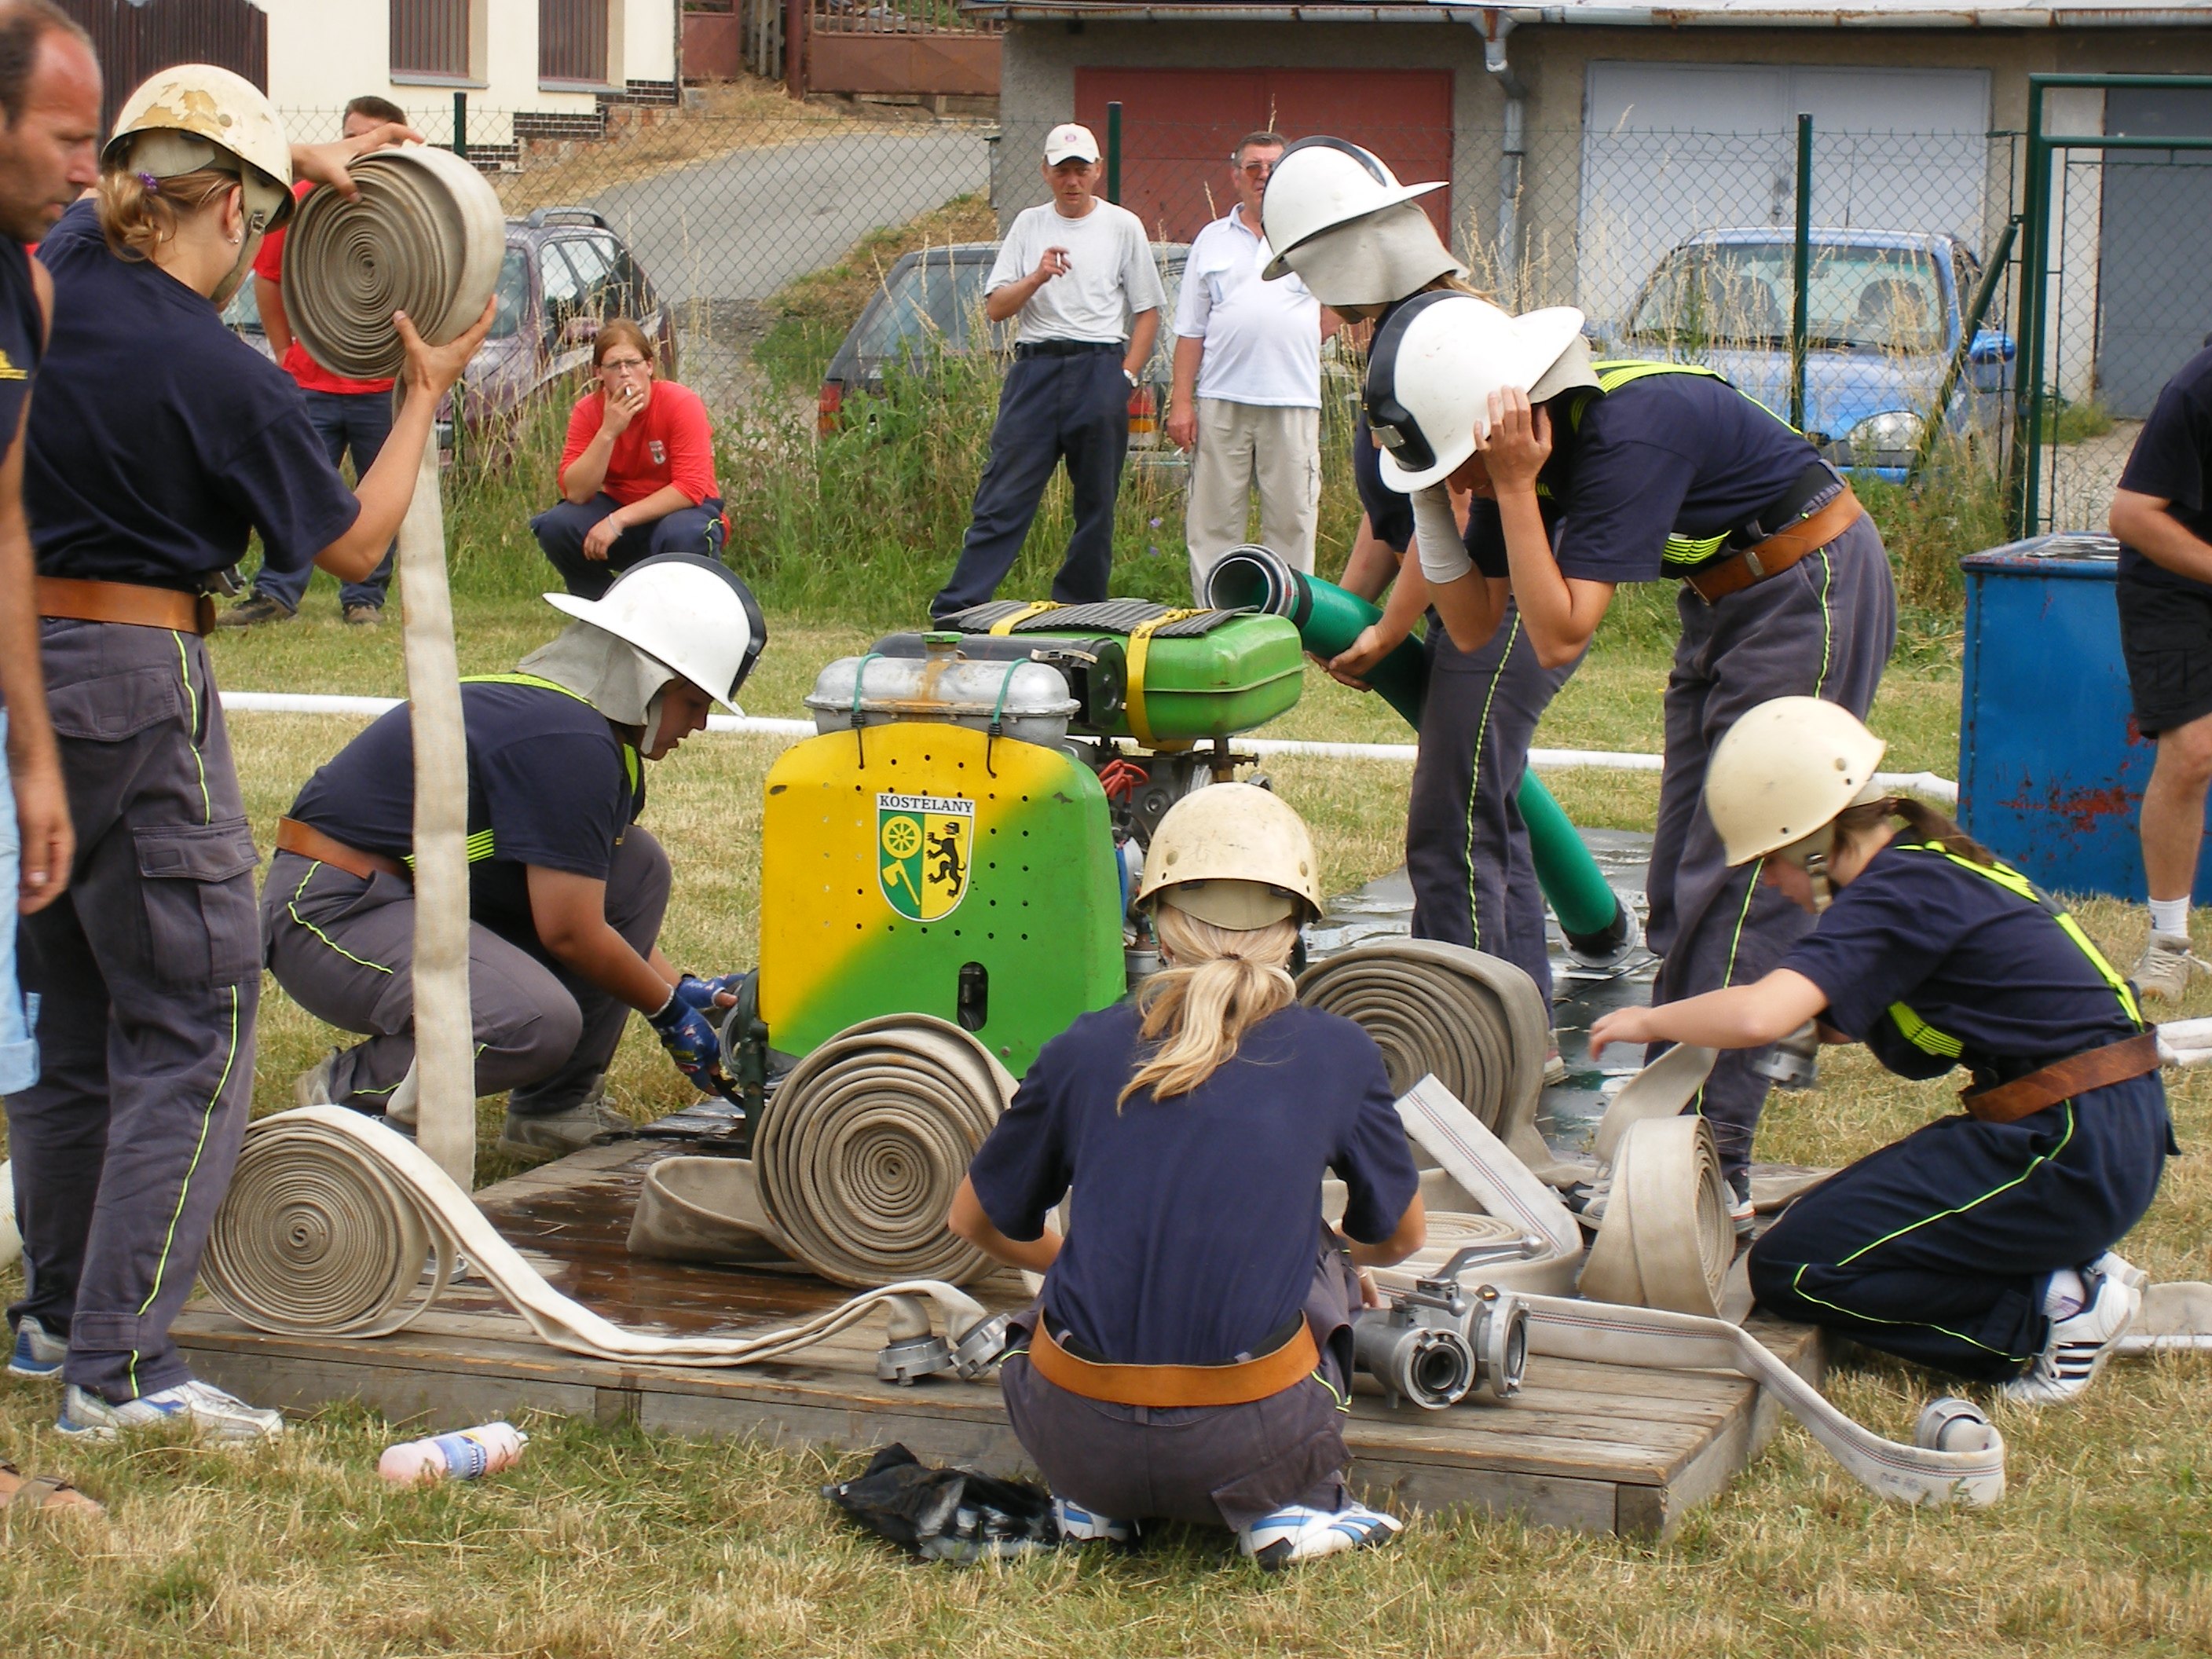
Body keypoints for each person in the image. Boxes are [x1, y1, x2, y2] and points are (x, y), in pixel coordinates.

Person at [12, 64, 492, 1444]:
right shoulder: (218, 374)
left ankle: (55, 1316)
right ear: (226, 210)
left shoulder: (51, 271)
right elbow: (347, 541)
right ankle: (123, 1368)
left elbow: (154, 180)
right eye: (257, 225)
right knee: (199, 1014)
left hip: (26, 677)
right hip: (138, 677)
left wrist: (284, 154)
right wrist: (419, 397)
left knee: (76, 1008)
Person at [1363, 291, 1897, 1222]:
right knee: (1677, 880)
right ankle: (1681, 1112)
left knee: (1736, 871)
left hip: (1808, 587)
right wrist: (1438, 507)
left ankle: (1704, 1160)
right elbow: (1479, 620)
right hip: (1725, 603)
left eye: (1463, 465)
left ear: (1503, 420)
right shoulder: (1507, 457)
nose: (1469, 484)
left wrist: (1515, 490)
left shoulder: (1622, 432)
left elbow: (1562, 634)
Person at [1590, 698, 2170, 1405]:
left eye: (1770, 861)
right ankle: (2061, 1261)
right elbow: (1847, 1028)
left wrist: (1648, 1021)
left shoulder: (1898, 892)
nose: (1770, 882)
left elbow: (1760, 1013)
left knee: (1797, 1270)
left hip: (2066, 1148)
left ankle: (2046, 1315)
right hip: (2095, 1132)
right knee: (1813, 1233)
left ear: (1813, 842)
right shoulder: (1925, 870)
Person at [947, 783, 1423, 1567]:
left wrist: (1070, 1264)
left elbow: (973, 1220)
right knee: (1319, 1256)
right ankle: (1288, 1509)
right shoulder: (1336, 1052)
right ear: (1293, 930)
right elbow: (1401, 1235)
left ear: (1155, 925)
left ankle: (1096, 1507)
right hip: (1253, 1446)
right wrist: (1329, 1255)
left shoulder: (1081, 1048)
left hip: (1073, 1440)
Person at [266, 555, 762, 1161]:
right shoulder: (569, 742)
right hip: (328, 908)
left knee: (637, 867)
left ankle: (555, 1110)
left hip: (399, 899)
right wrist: (667, 1012)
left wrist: (683, 987)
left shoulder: (586, 733)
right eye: (694, 702)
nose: (703, 724)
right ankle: (347, 1097)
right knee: (531, 1020)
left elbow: (597, 909)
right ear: (648, 681)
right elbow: (573, 933)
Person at [1255, 137, 1580, 1023]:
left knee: (1453, 830)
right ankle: (1523, 1024)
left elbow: (1453, 525)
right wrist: (1332, 614)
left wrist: (1387, 631)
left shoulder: (1431, 341)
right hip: (1471, 588)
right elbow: (1392, 517)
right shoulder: (1403, 337)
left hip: (1500, 597)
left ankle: (1479, 1035)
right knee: (1485, 815)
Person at [0, 0, 94, 1409]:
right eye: (69, 135)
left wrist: (32, 761)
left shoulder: (27, 276)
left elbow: (8, 519)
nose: (88, 167)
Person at [929, 123, 1163, 622]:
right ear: (1046, 173)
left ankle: (1080, 605)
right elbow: (996, 308)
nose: (1072, 181)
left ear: (1097, 172)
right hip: (1035, 370)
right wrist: (1036, 275)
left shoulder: (1124, 226)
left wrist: (1126, 376)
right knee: (1004, 492)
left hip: (1100, 367)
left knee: (1096, 499)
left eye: (1082, 170)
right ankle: (960, 606)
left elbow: (1148, 310)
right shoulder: (1029, 225)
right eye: (1063, 171)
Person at [218, 93, 410, 629]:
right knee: (292, 490)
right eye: (350, 134)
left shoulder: (410, 205)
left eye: (370, 136)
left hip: (382, 385)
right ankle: (277, 592)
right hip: (313, 383)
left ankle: (363, 598)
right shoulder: (301, 200)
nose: (356, 146)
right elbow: (270, 277)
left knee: (378, 496)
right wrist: (285, 352)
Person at [1166, 130, 1327, 595]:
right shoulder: (1212, 240)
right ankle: (1215, 618)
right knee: (1213, 522)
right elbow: (1190, 330)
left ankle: (1292, 624)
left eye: (1273, 168)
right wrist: (1181, 404)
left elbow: (1341, 303)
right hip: (1222, 399)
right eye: (1253, 167)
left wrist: (1290, 337)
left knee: (1293, 520)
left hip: (1293, 398)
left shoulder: (1312, 237)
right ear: (1235, 176)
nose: (1263, 177)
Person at [2109, 341, 2212, 1000]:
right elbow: (2130, 515)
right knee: (2195, 752)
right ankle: (2168, 944)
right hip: (2176, 582)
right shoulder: (2197, 389)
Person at [531, 319, 725, 602]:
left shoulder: (681, 403)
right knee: (555, 525)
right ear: (598, 372)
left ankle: (679, 611)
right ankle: (602, 606)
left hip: (682, 513)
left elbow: (690, 487)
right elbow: (576, 492)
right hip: (622, 508)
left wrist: (617, 521)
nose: (625, 374)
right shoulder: (588, 411)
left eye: (632, 363)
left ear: (649, 366)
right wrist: (609, 431)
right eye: (613, 366)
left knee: (683, 533)